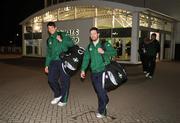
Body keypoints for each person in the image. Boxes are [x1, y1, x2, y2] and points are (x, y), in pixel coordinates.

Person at [80, 27, 117, 118]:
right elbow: (86, 59)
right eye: (91, 34)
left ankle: (102, 111)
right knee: (99, 90)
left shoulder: (104, 44)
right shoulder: (89, 47)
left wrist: (104, 52)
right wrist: (83, 69)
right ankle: (106, 100)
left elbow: (114, 53)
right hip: (94, 72)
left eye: (94, 33)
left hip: (103, 71)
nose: (92, 35)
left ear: (98, 34)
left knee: (100, 92)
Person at [44, 22, 74, 106]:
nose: (50, 30)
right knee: (51, 79)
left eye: (52, 28)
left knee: (64, 81)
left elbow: (71, 44)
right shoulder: (49, 40)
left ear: (56, 28)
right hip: (53, 62)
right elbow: (49, 54)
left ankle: (64, 100)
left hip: (64, 61)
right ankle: (58, 94)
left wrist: (61, 40)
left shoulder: (63, 35)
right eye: (49, 28)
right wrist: (46, 65)